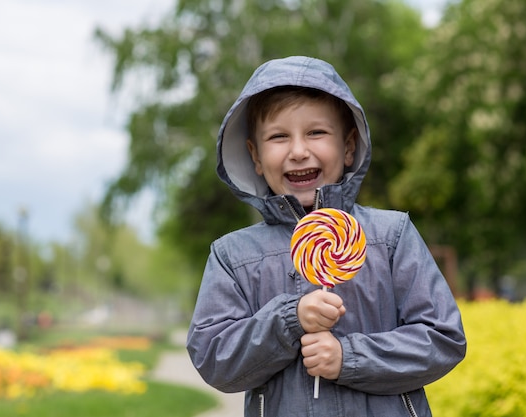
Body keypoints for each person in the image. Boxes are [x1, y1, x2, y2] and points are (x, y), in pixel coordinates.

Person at [187, 56, 466, 416]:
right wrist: (289, 320)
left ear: (349, 146)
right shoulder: (233, 257)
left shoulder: (391, 237)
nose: (299, 151)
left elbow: (443, 338)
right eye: (278, 136)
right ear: (255, 156)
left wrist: (348, 358)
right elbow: (213, 357)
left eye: (316, 132)